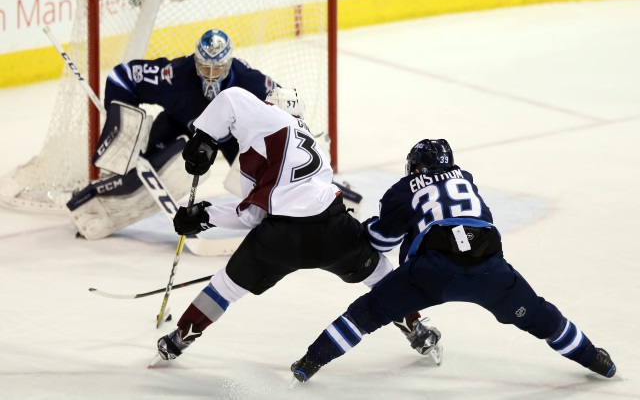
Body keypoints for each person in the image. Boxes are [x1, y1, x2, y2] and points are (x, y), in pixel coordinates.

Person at [150, 87, 442, 366]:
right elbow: (254, 212)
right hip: (333, 229)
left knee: (225, 286)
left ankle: (178, 340)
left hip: (281, 239)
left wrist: (204, 139)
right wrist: (206, 214)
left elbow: (231, 98)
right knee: (380, 273)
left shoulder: (270, 117)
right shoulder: (308, 145)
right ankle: (416, 330)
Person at [290, 139, 617, 382]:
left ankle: (309, 363)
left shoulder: (406, 188)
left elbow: (379, 241)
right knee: (541, 316)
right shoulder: (467, 180)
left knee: (366, 313)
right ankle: (598, 360)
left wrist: (360, 228)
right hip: (489, 270)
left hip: (430, 274)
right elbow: (484, 223)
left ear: (415, 167)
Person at [66, 29, 278, 240]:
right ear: (196, 62)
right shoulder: (176, 76)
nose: (211, 76)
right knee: (144, 173)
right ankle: (99, 201)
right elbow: (123, 76)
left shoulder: (250, 82)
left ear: (229, 64)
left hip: (233, 137)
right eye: (205, 67)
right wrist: (123, 130)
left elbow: (285, 107)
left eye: (218, 69)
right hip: (178, 126)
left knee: (265, 176)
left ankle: (279, 216)